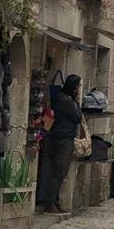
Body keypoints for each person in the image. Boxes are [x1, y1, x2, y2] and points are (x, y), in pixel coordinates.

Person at [38, 73, 81, 212]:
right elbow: (77, 117)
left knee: (57, 171)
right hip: (63, 139)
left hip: (57, 138)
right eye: (78, 87)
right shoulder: (67, 101)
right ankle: (50, 202)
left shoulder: (60, 98)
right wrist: (77, 102)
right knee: (59, 172)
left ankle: (54, 201)